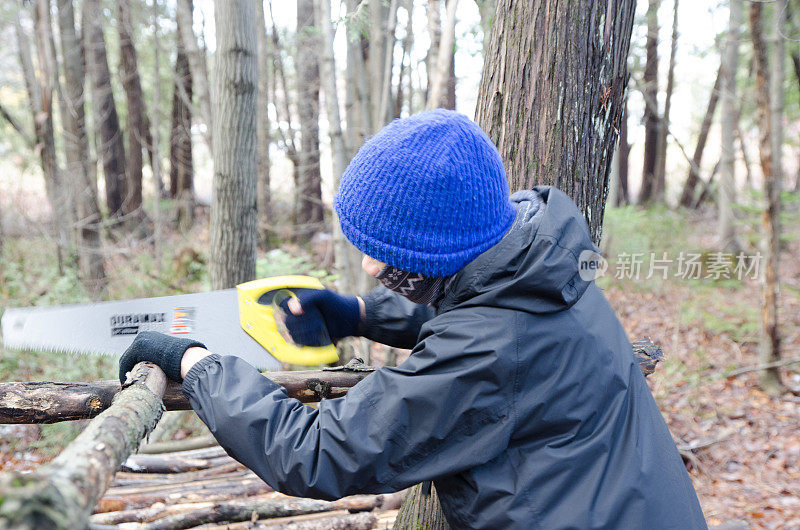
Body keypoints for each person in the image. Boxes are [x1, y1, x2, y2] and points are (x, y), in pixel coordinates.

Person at [120, 110, 707, 529]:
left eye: (384, 251)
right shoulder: (538, 257)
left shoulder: (489, 352)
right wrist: (356, 314)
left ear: (437, 252)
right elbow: (478, 304)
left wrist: (196, 364)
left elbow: (316, 454)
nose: (371, 265)